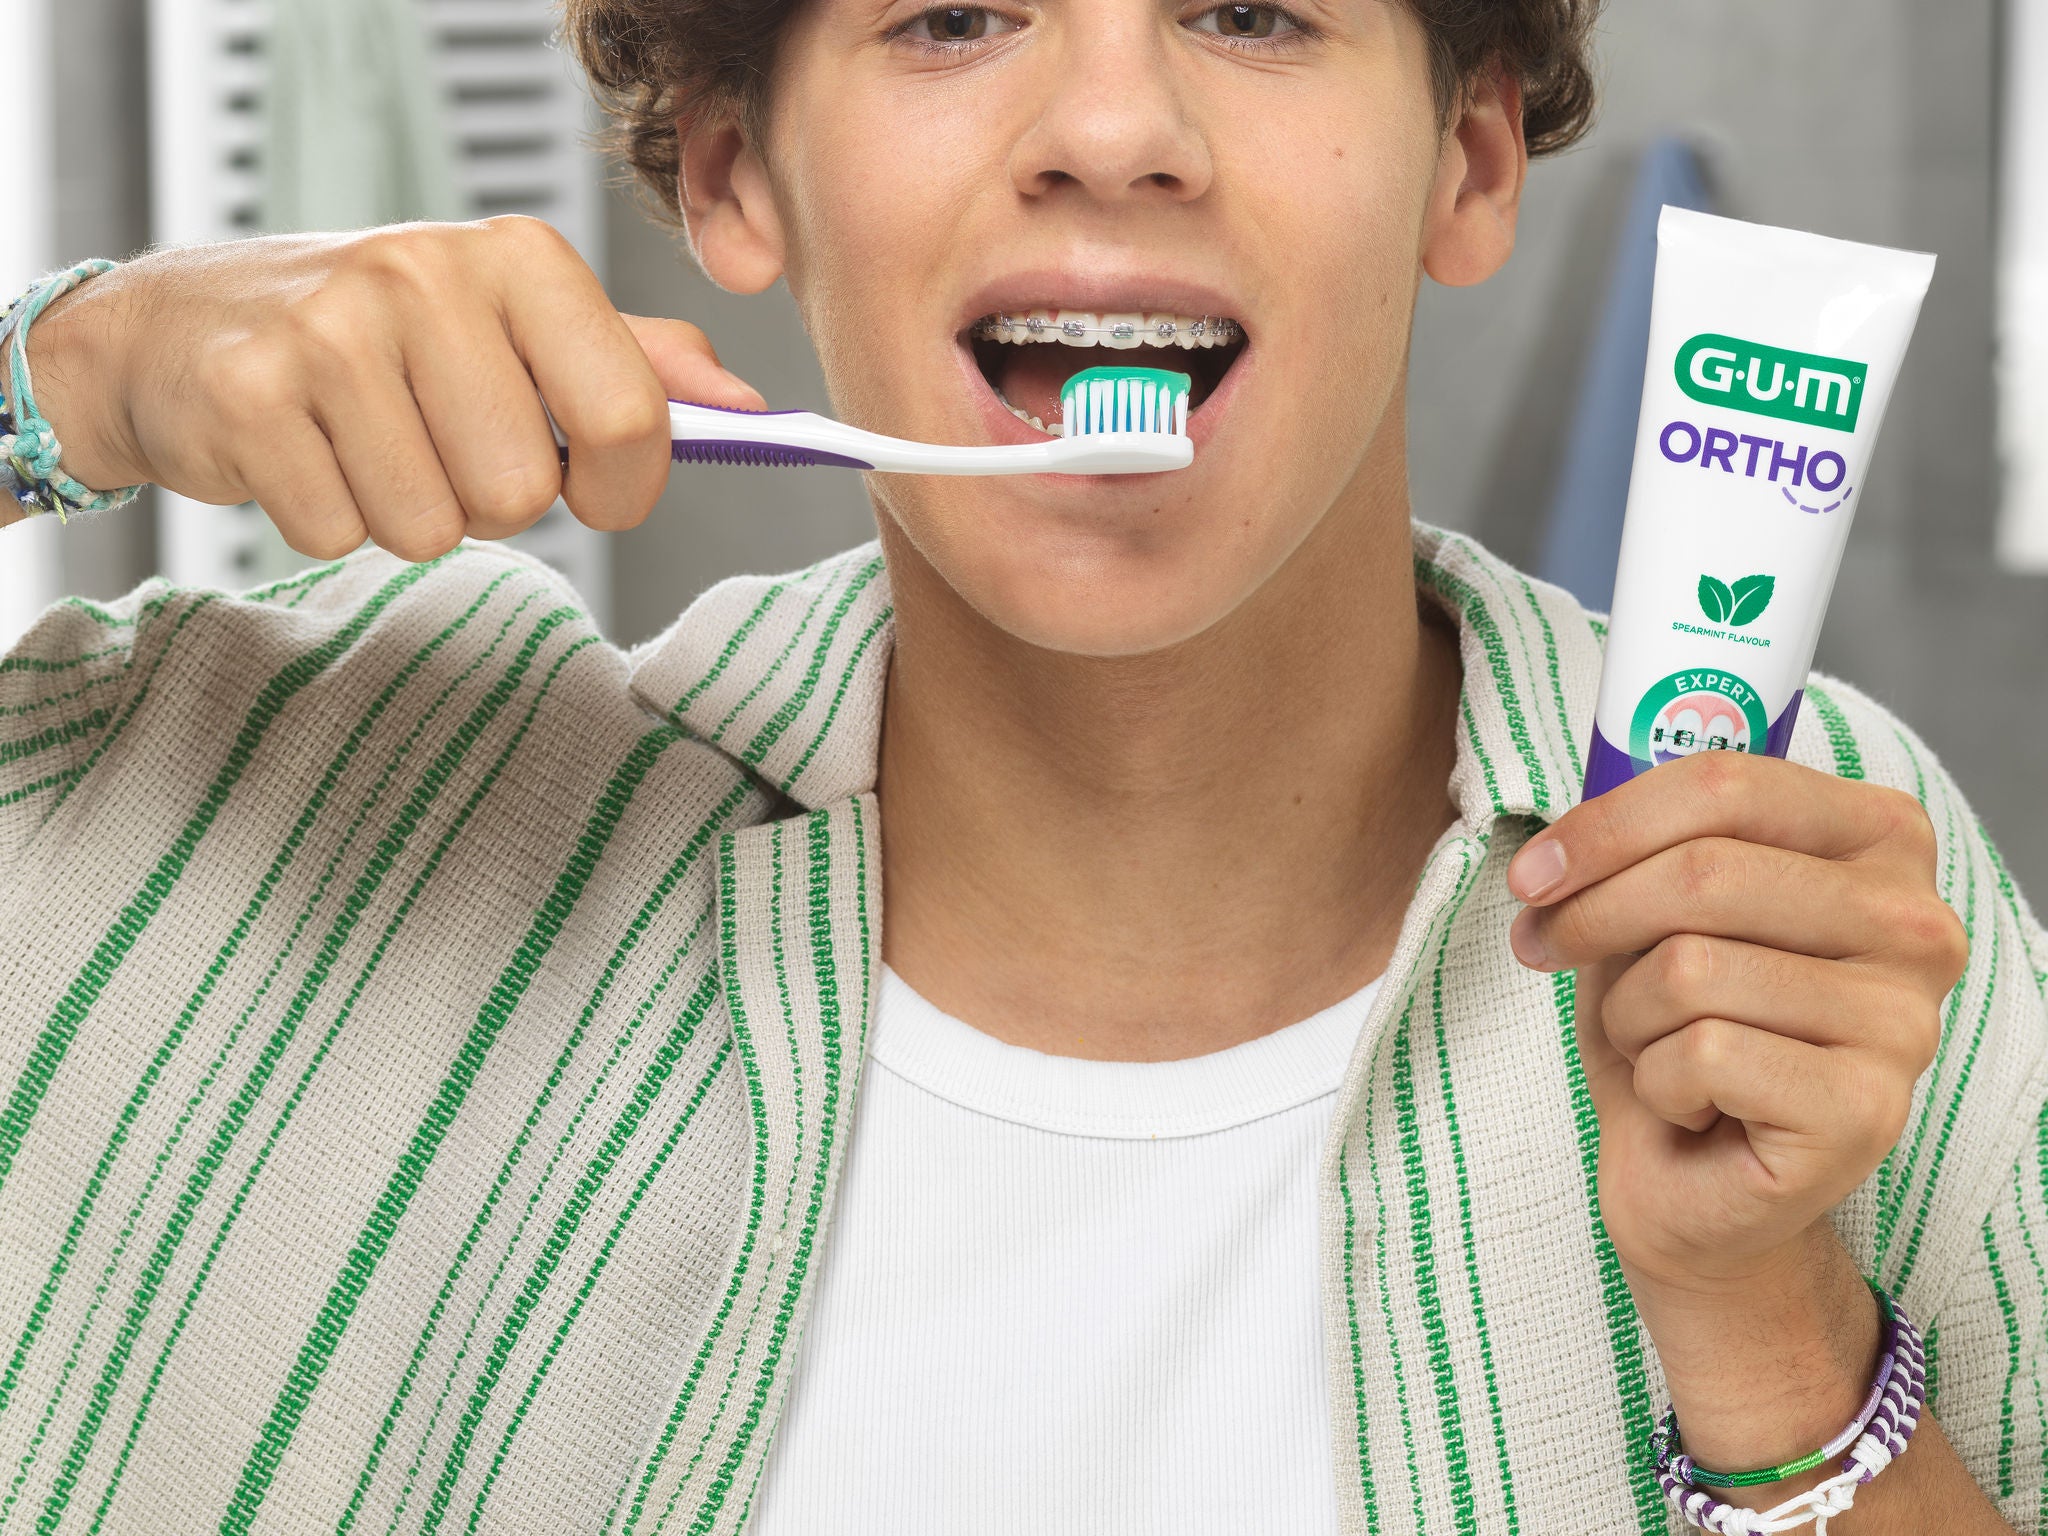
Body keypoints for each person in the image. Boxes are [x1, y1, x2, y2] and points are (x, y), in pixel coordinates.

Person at [1, 2, 2042, 1532]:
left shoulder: (1815, 897)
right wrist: (66, 376)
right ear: (731, 169)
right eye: (956, 12)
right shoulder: (258, 821)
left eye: (1250, 9)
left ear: (1470, 156)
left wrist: (1774, 1333)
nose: (1111, 129)